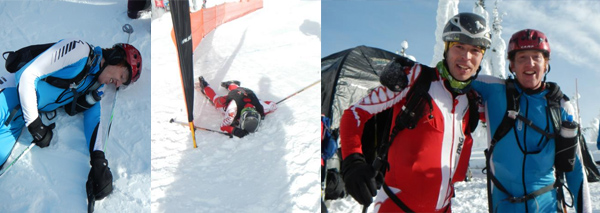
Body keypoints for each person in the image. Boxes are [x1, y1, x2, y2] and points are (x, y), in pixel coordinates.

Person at [339, 13, 490, 212]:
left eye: (475, 50)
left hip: (444, 208)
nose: (466, 57)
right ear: (446, 48)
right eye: (459, 47)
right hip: (396, 206)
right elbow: (355, 114)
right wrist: (353, 162)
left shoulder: (473, 100)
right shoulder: (415, 79)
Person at [0, 38, 142, 201]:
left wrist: (98, 160)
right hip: (6, 96)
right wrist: (35, 125)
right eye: (122, 76)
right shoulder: (78, 51)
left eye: (121, 83)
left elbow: (93, 117)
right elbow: (26, 75)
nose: (117, 84)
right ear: (116, 58)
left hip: (15, 121)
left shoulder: (96, 85)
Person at [471, 29, 592, 212]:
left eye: (537, 57)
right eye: (521, 58)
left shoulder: (561, 106)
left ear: (546, 64)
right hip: (503, 206)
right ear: (511, 65)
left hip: (547, 206)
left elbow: (575, 171)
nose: (530, 63)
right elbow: (454, 74)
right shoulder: (492, 90)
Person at [197, 76, 277, 138]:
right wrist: (235, 131)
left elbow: (273, 105)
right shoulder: (232, 109)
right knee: (216, 100)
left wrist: (262, 114)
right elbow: (223, 126)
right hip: (234, 98)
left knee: (238, 90)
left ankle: (231, 85)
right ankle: (205, 86)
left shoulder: (262, 106)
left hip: (245, 93)